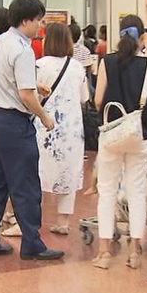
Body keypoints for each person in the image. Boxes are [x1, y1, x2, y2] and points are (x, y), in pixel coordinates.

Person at [0, 0, 63, 261]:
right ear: (26, 20)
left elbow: (2, 78)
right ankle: (32, 244)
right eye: (38, 20)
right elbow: (26, 96)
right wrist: (45, 116)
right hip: (14, 124)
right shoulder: (23, 49)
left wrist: (34, 84)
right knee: (25, 185)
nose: (40, 26)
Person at [92, 16, 147, 269]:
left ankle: (104, 252)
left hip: (111, 134)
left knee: (107, 191)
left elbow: (98, 100)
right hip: (139, 134)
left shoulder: (107, 62)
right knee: (136, 191)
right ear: (142, 37)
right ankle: (134, 250)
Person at [35, 23, 89, 236]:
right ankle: (63, 222)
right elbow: (85, 97)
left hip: (44, 126)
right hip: (71, 129)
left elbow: (32, 96)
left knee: (38, 171)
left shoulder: (39, 66)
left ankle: (33, 218)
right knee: (68, 171)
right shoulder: (77, 67)